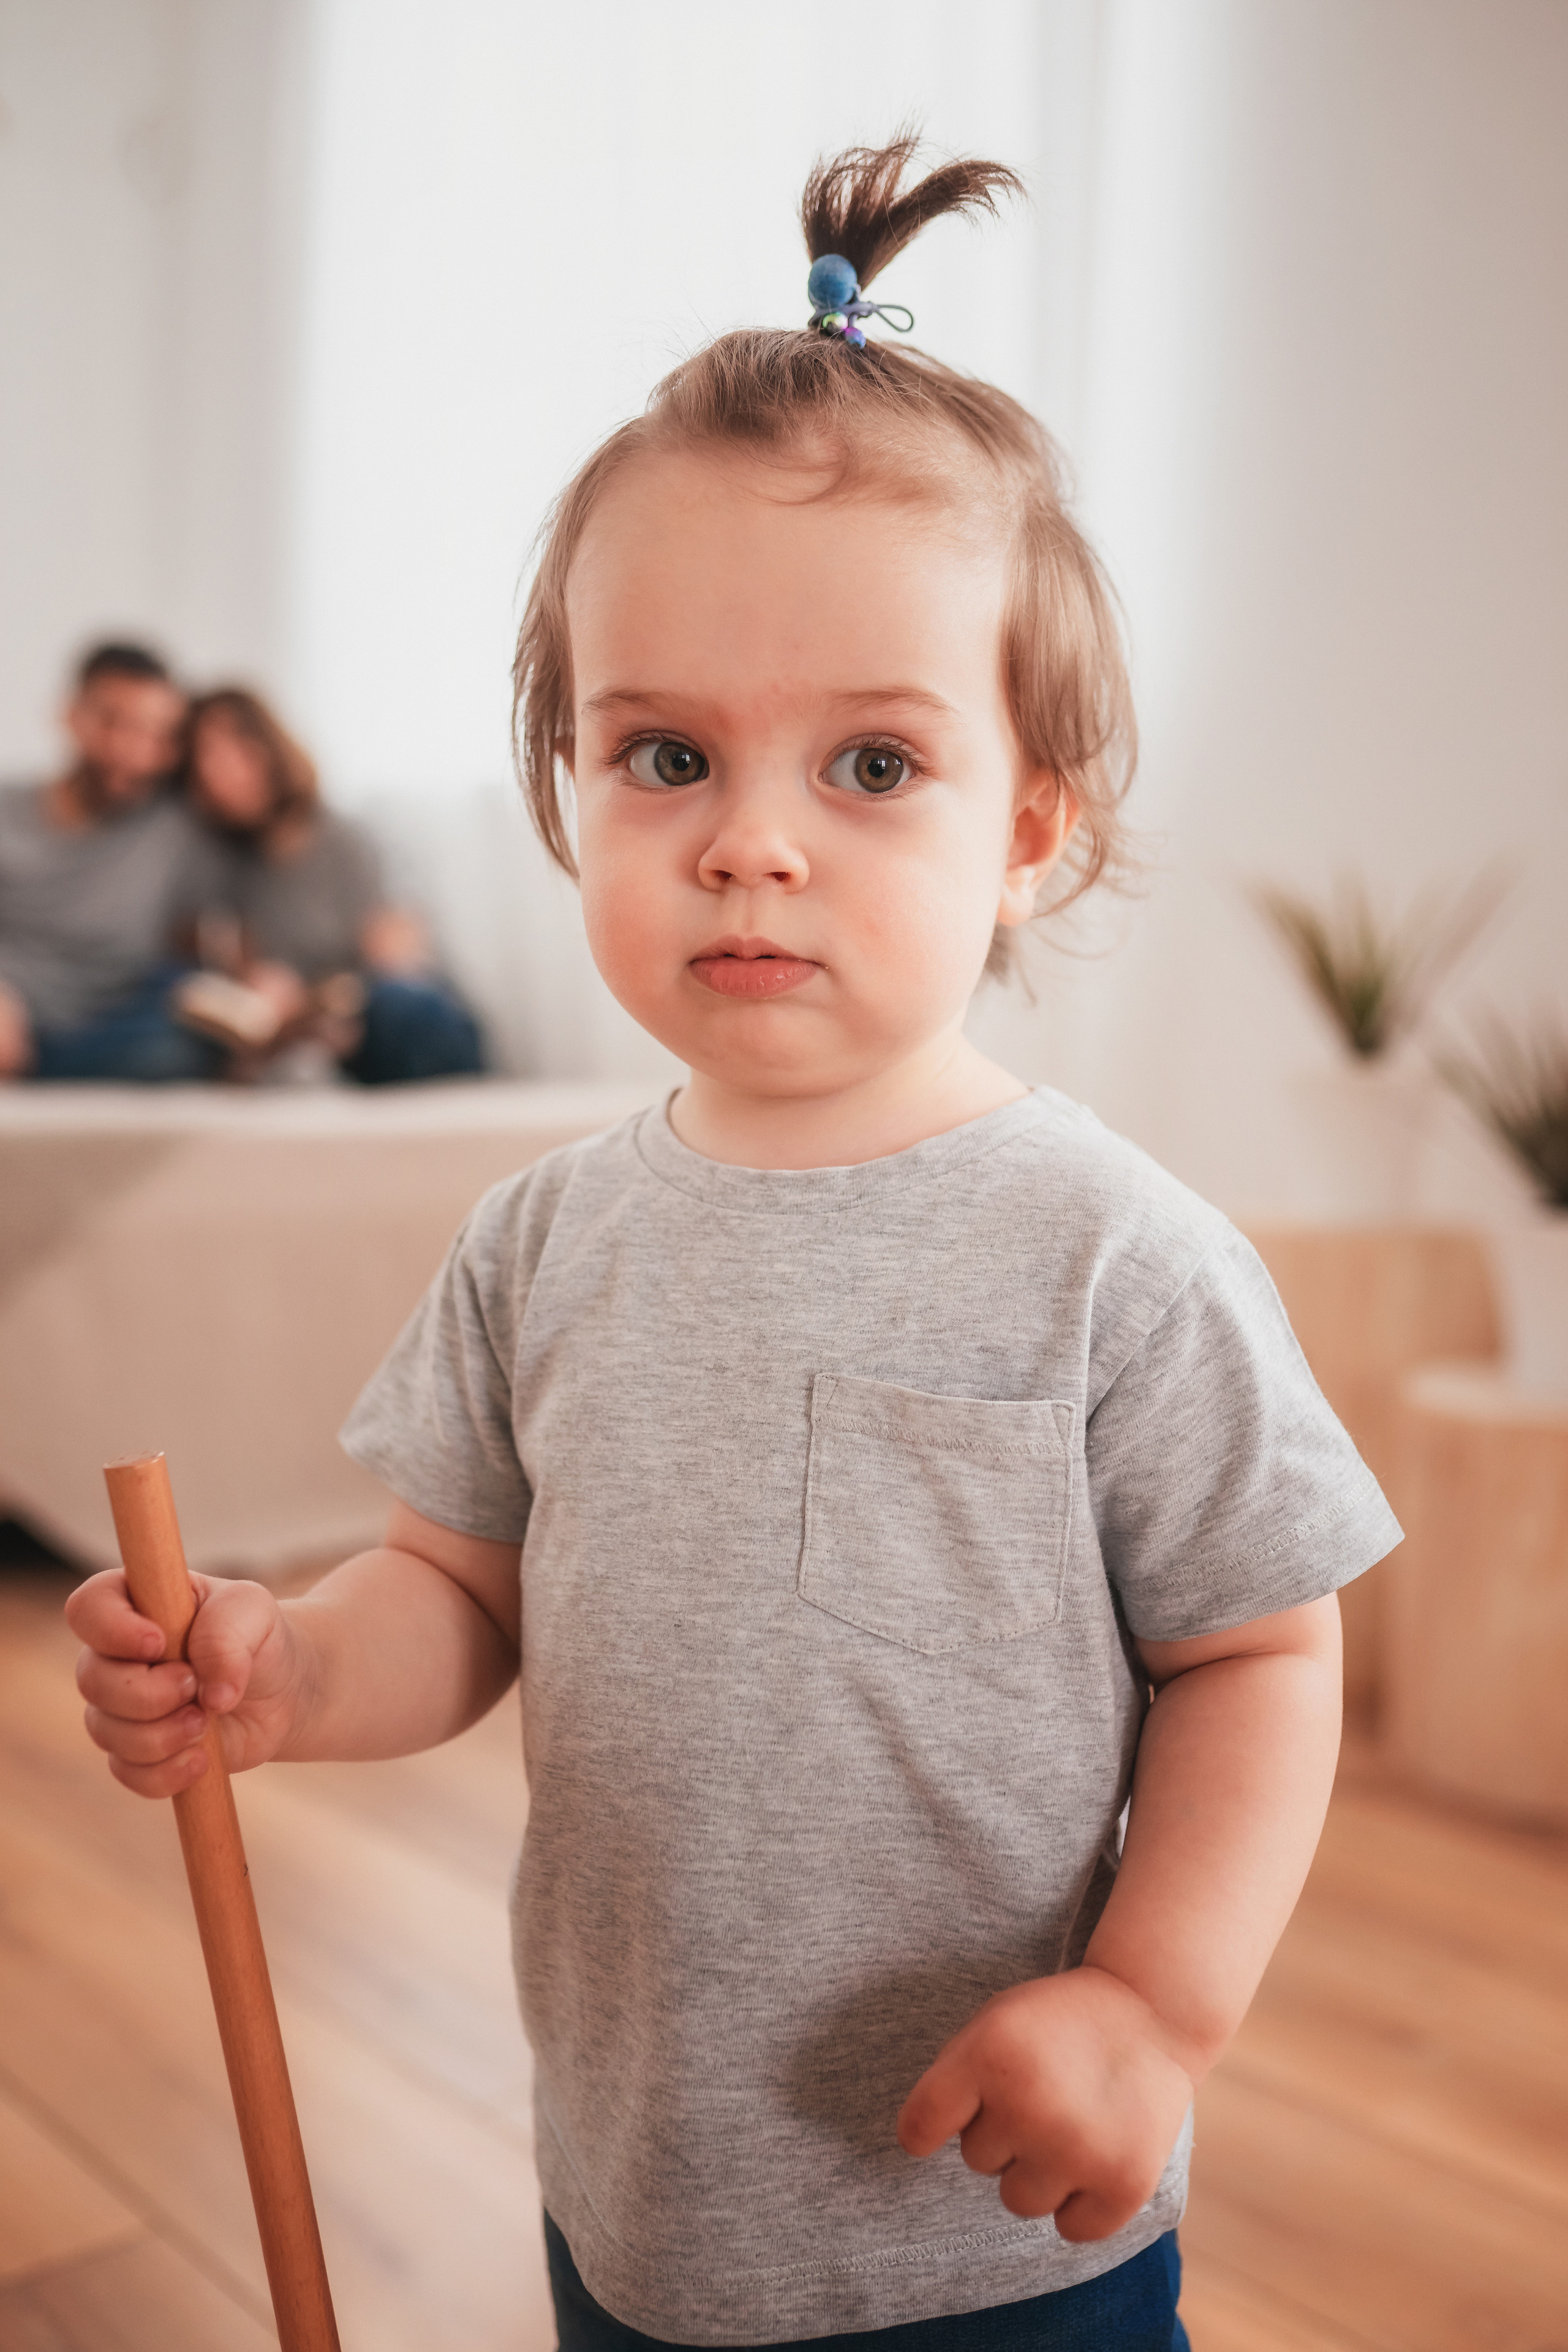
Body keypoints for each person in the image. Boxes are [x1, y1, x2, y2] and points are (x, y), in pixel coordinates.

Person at [67, 140, 1401, 2350]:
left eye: (870, 766)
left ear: (1028, 830)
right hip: (641, 2206)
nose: (750, 847)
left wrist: (1150, 2009)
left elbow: (1258, 1657)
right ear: (566, 786)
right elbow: (454, 1589)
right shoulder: (538, 1241)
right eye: (666, 755)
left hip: (995, 2234)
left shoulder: (1112, 1257)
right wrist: (290, 1669)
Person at [181, 685, 484, 1085]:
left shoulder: (346, 838)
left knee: (399, 1006)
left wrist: (318, 1009)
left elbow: (400, 957)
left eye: (234, 747)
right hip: (317, 1040)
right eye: (204, 758)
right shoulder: (234, 870)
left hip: (395, 1017)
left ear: (269, 746)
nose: (219, 771)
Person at [0, 641, 226, 1082]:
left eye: (159, 735)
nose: (136, 752)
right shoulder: (8, 812)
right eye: (115, 724)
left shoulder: (178, 828)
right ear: (70, 716)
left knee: (182, 1044)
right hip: (13, 1008)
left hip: (113, 1027)